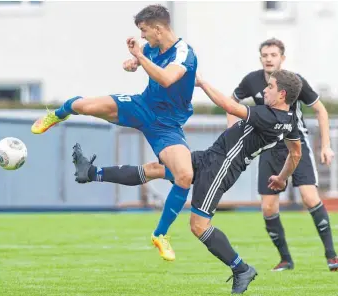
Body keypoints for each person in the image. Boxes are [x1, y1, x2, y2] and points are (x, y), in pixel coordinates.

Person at [72, 69, 303, 294]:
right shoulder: (289, 121)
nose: (265, 90)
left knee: (198, 226)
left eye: (270, 87)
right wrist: (282, 178)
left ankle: (241, 268)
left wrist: (203, 84)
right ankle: (91, 173)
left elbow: (230, 107)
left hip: (221, 168)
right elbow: (295, 153)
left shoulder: (270, 116)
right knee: (155, 169)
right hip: (211, 157)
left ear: (282, 95)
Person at [31, 4, 197, 261]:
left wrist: (139, 57)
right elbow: (143, 60)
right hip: (142, 106)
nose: (142, 36)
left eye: (144, 31)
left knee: (184, 176)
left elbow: (166, 78)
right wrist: (133, 62)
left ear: (158, 28)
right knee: (84, 105)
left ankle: (160, 234)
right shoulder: (153, 47)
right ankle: (55, 115)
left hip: (166, 125)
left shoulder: (185, 54)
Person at [227, 38, 337, 272]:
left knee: (309, 197)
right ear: (260, 58)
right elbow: (232, 102)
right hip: (268, 146)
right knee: (268, 208)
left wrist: (326, 146)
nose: (269, 58)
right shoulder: (252, 80)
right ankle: (285, 260)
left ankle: (332, 256)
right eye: (265, 55)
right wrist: (231, 133)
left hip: (295, 144)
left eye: (273, 55)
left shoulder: (294, 82)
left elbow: (321, 110)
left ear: (282, 58)